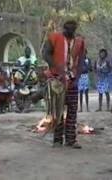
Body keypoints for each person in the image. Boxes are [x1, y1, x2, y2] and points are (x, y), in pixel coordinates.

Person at [42, 20, 85, 148]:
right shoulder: (54, 38)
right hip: (57, 80)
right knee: (58, 111)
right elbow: (45, 53)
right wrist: (56, 67)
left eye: (73, 29)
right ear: (64, 28)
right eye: (68, 28)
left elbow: (81, 59)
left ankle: (71, 140)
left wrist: (77, 77)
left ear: (75, 29)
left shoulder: (80, 42)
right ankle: (57, 140)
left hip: (72, 81)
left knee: (72, 111)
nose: (70, 31)